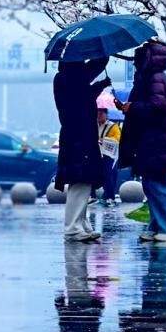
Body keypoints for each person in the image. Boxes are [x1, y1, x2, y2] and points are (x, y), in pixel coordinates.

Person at [116, 41, 166, 242]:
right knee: (151, 185)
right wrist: (129, 107)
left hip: (158, 142)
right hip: (153, 141)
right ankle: (156, 226)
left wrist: (133, 107)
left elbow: (157, 106)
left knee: (157, 185)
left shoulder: (154, 77)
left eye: (139, 58)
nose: (135, 62)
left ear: (148, 59)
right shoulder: (149, 78)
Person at [53, 56, 110, 240]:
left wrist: (100, 84)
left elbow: (85, 93)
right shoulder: (69, 78)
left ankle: (81, 223)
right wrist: (103, 55)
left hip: (80, 136)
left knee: (84, 181)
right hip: (78, 137)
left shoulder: (70, 78)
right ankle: (72, 227)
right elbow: (84, 88)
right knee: (80, 181)